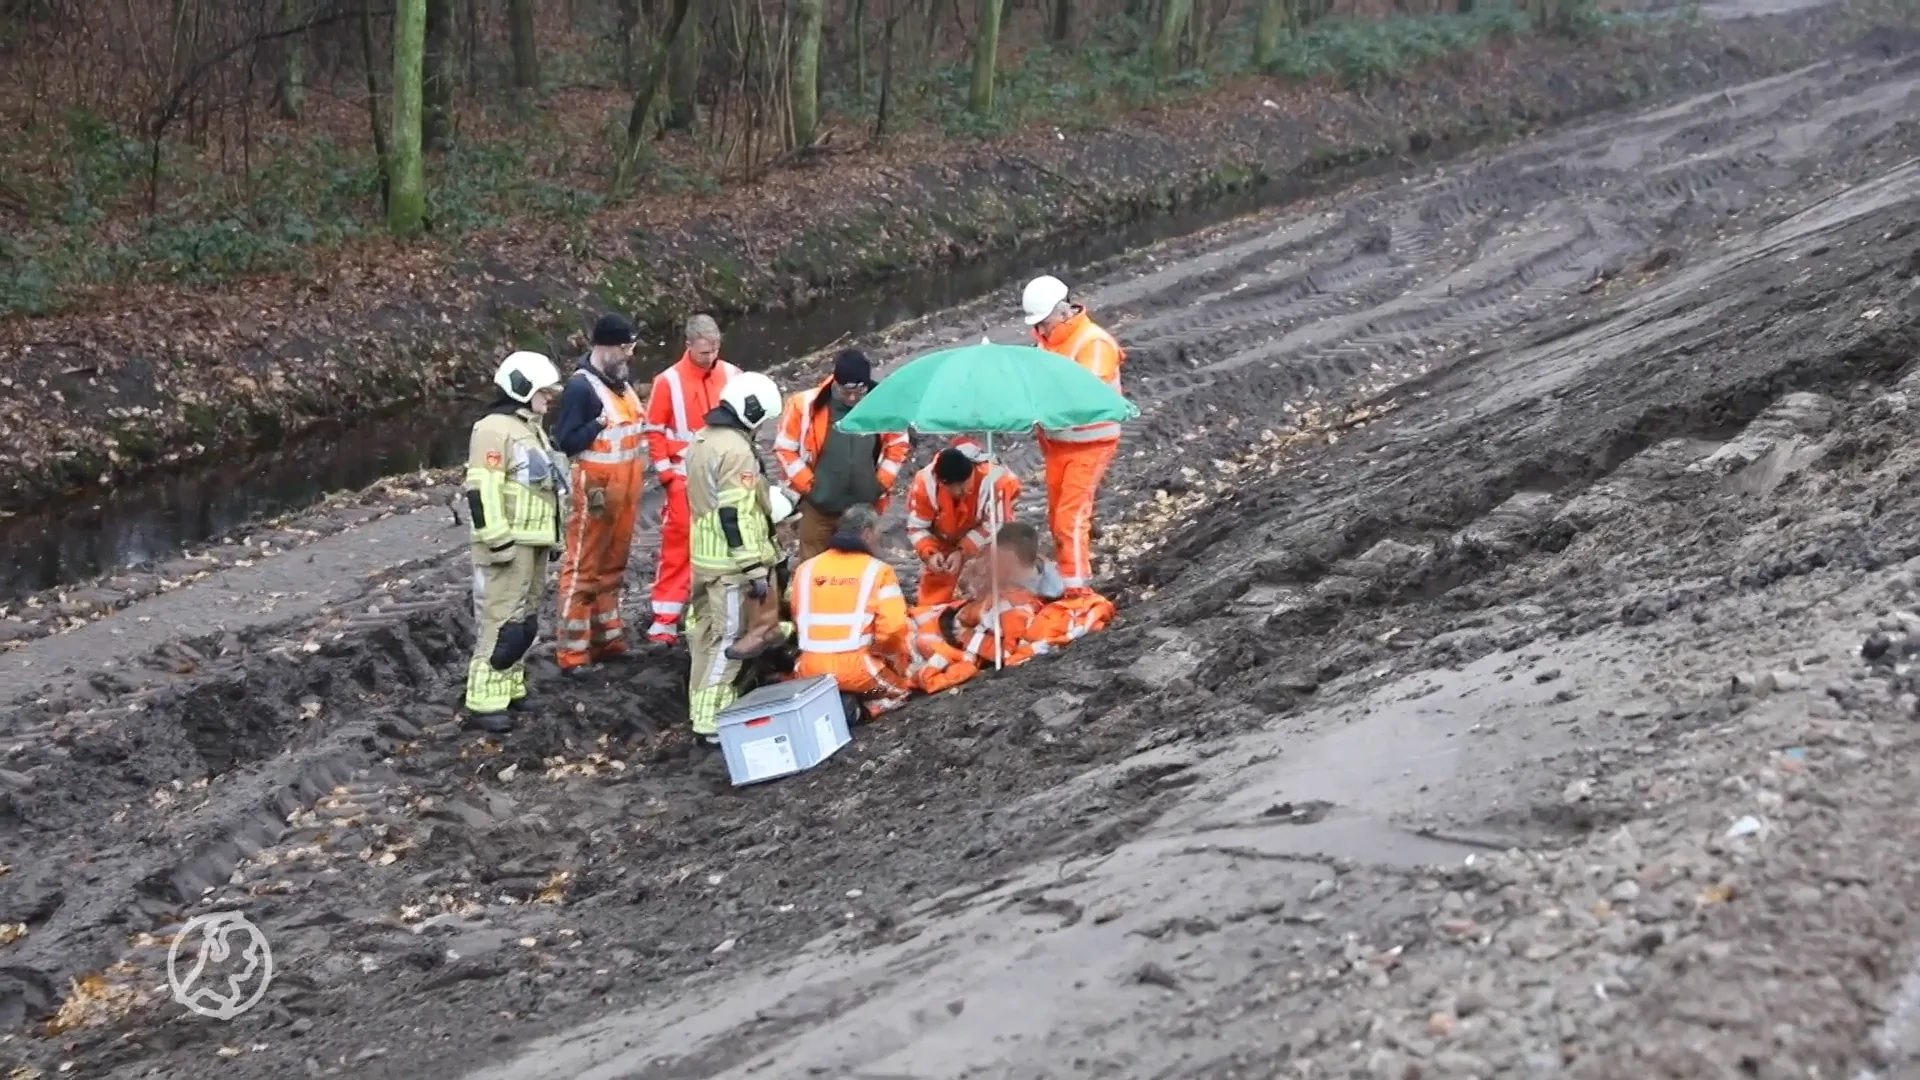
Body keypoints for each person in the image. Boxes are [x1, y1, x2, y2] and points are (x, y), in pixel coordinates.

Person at [461, 351, 569, 734]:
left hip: (533, 540)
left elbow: (545, 487)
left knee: (523, 622)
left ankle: (510, 687)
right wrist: (497, 541)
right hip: (510, 544)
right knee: (501, 622)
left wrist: (554, 538)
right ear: (522, 388)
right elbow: (482, 489)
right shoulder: (493, 429)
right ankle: (484, 701)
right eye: (543, 391)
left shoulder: (529, 427)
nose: (549, 397)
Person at [683, 371, 784, 744]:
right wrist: (754, 567)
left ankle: (701, 709)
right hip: (730, 565)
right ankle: (711, 721)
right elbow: (735, 514)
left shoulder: (702, 439)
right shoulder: (736, 450)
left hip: (705, 558)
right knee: (731, 641)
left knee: (706, 639)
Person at [549, 313, 646, 672]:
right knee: (583, 570)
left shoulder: (621, 381)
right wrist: (597, 424)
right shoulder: (581, 389)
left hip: (626, 490)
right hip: (596, 493)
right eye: (625, 347)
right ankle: (573, 654)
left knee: (612, 568)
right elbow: (566, 440)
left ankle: (608, 640)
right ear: (605, 346)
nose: (629, 355)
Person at [1022, 274, 1125, 597]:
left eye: (1044, 322)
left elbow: (1085, 395)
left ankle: (1077, 592)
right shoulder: (1045, 342)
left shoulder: (1093, 343)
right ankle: (1068, 579)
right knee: (1057, 517)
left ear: (1063, 312)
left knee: (1070, 517)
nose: (1040, 330)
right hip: (1058, 444)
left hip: (1090, 444)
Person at [643, 313, 743, 645]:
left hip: (722, 476)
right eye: (704, 353)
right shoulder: (667, 381)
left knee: (724, 544)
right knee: (678, 548)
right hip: (684, 478)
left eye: (714, 351)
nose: (710, 358)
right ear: (688, 346)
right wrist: (667, 476)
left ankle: (714, 611)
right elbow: (654, 430)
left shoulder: (731, 375)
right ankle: (665, 619)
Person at [773, 349, 911, 563]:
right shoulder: (804, 406)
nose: (853, 398)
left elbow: (898, 445)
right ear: (835, 382)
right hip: (819, 508)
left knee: (861, 568)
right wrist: (810, 486)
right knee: (813, 568)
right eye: (847, 392)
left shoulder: (884, 406)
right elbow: (784, 449)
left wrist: (880, 484)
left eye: (860, 391)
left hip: (862, 511)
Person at [791, 503, 914, 720]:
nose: (879, 539)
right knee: (902, 689)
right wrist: (888, 656)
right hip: (859, 672)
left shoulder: (805, 569)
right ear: (867, 533)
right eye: (877, 533)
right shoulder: (878, 571)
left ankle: (836, 698)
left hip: (808, 670)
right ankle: (860, 711)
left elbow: (798, 617)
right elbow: (893, 629)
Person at [905, 440, 1022, 607]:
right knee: (937, 583)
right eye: (952, 487)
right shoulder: (925, 483)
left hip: (987, 536)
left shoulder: (997, 482)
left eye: (963, 484)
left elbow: (995, 526)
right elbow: (917, 527)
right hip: (944, 537)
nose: (959, 491)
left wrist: (963, 551)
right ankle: (934, 614)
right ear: (941, 482)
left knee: (992, 573)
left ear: (972, 472)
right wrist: (930, 553)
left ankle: (987, 608)